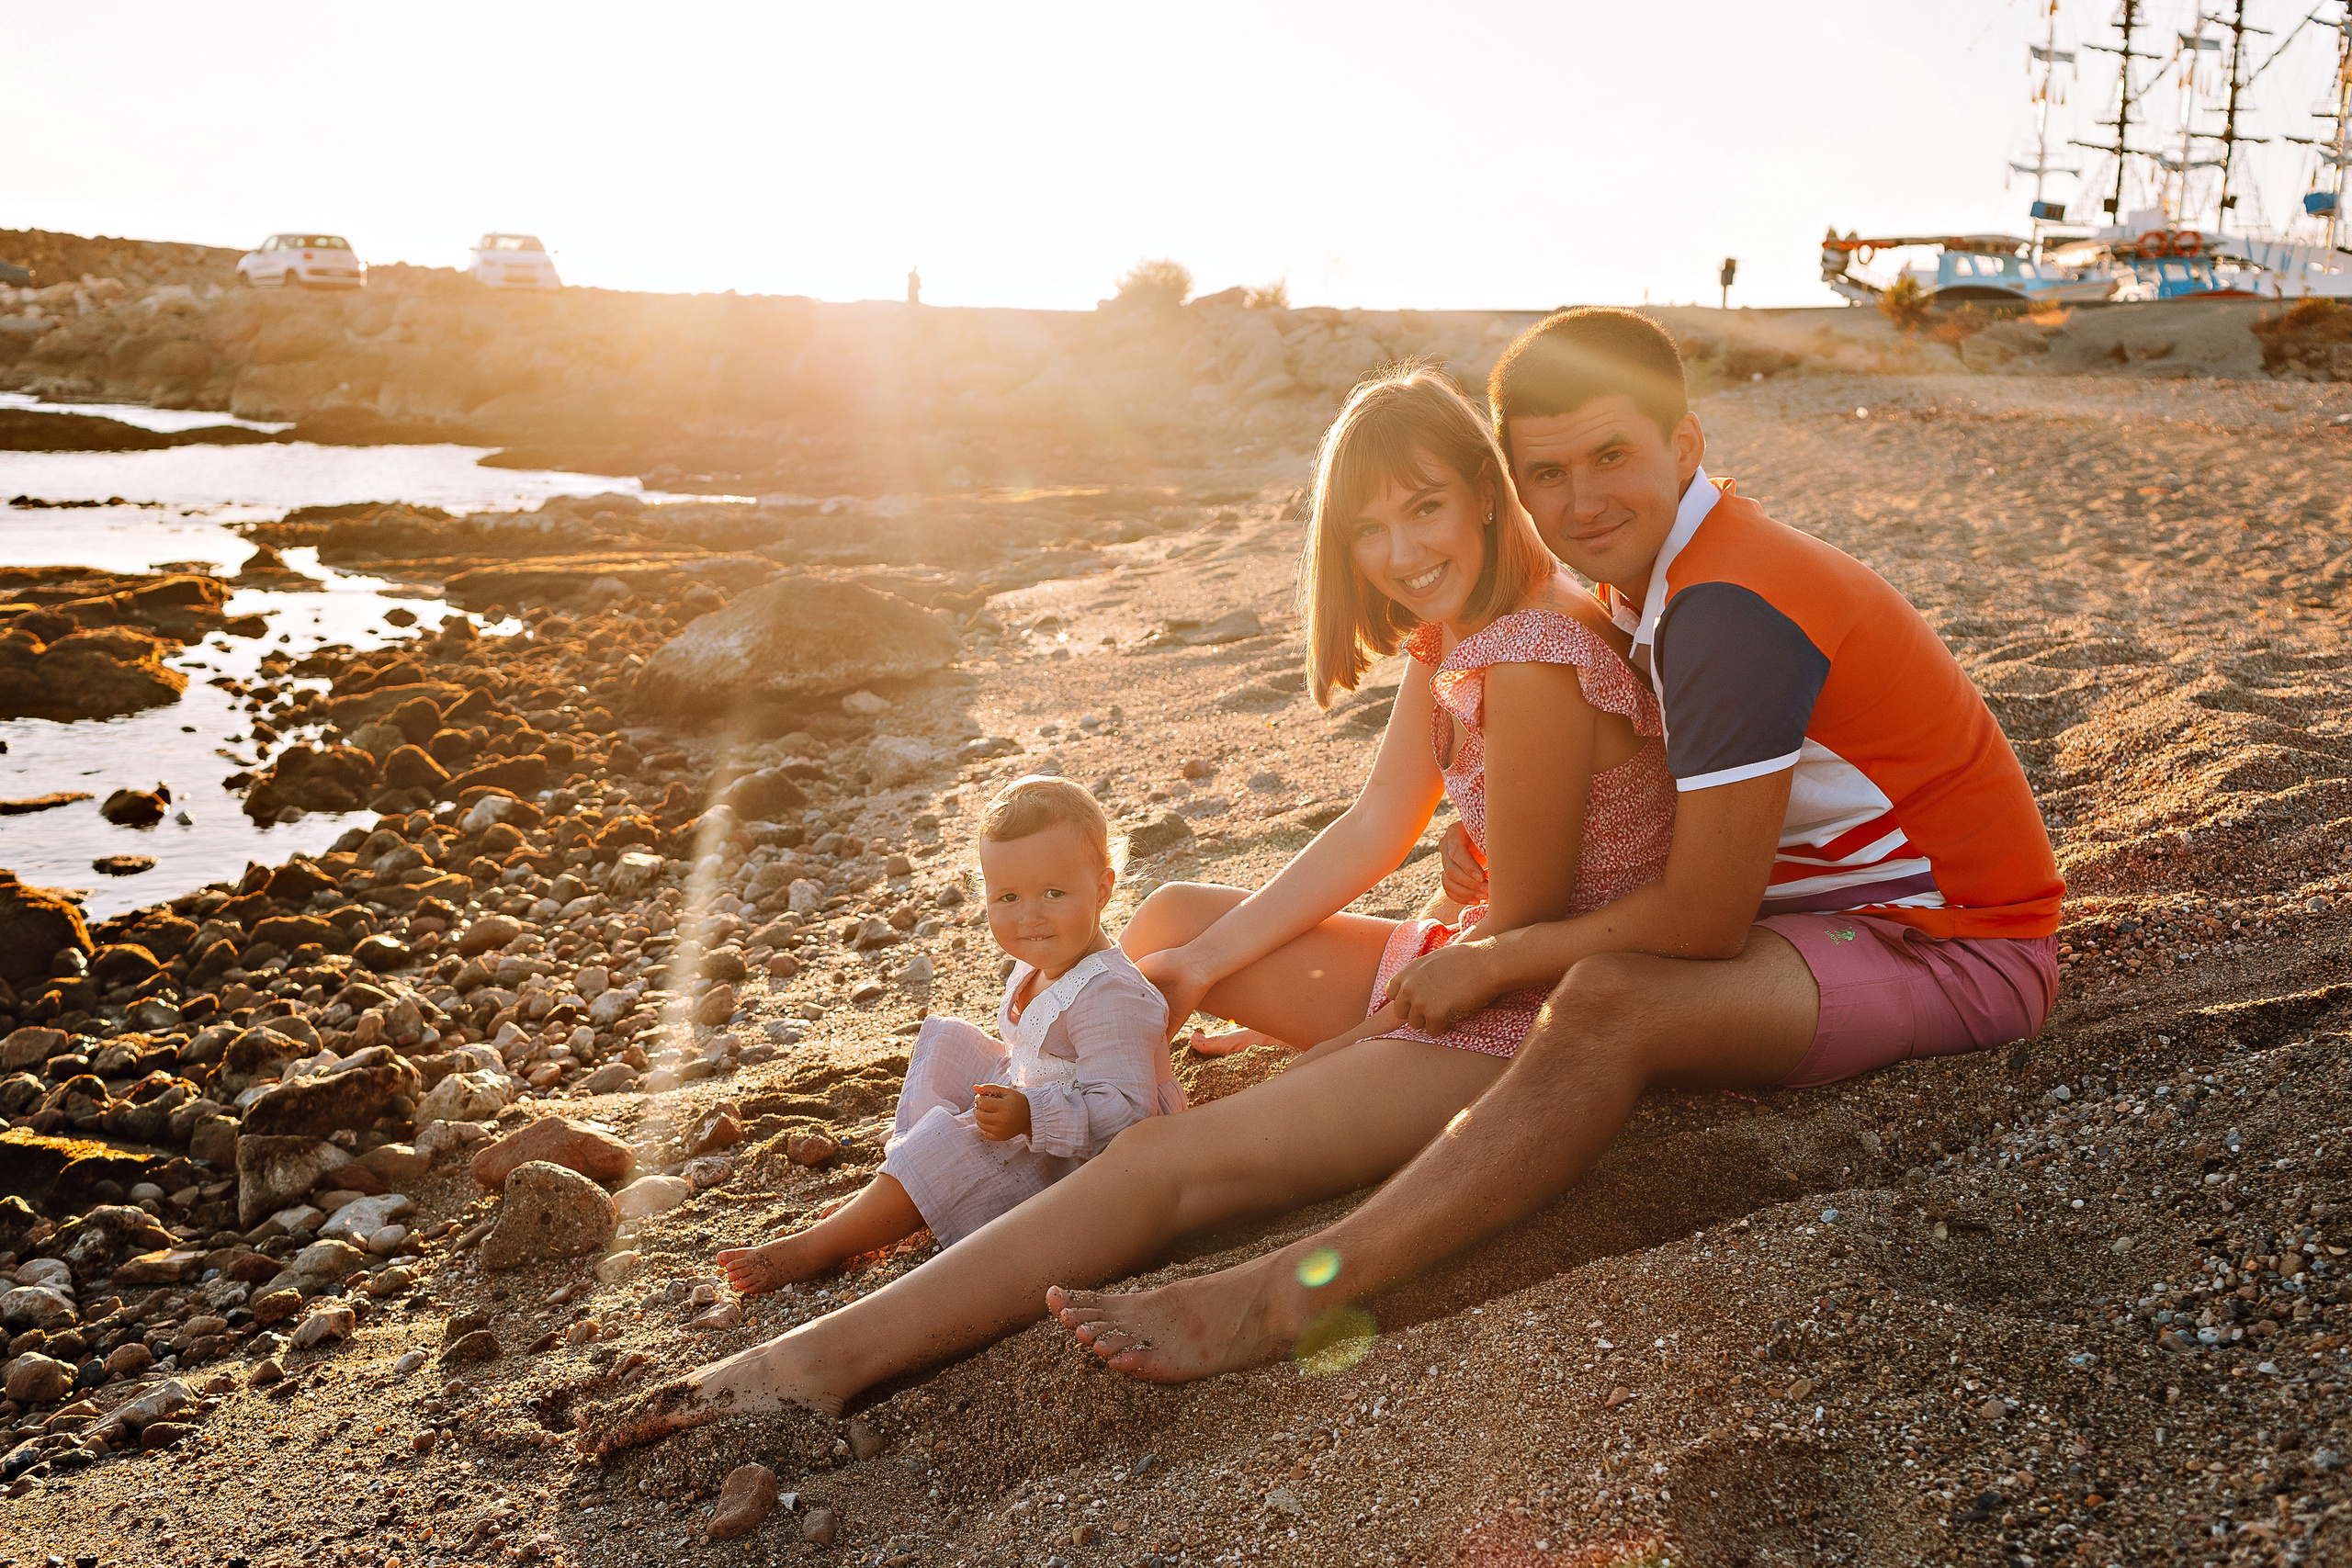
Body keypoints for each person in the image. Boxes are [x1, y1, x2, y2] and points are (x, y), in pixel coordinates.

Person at [579, 363, 1668, 1451]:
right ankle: (1064, 1135)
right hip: (1481, 958)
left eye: (1423, 507)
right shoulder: (1464, 633)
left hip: (1522, 1018)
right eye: (1369, 528)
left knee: (1152, 1163)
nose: (1401, 552)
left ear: (1484, 490)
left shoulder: (1529, 656)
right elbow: (1373, 828)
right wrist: (1202, 967)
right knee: (1170, 923)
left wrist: (1368, 1031)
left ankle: (823, 1360)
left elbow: (1517, 930)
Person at [1047, 306, 2062, 1380]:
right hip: (1814, 919)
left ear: (1684, 445)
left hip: (1950, 947)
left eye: (1611, 456)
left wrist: (1495, 953)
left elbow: (1703, 919)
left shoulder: (1726, 604)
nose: (1580, 501)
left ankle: (1284, 1297)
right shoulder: (1647, 577)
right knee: (1520, 976)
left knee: (1603, 1003)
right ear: (1514, 487)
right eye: (1548, 472)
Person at [716, 775, 1181, 1293]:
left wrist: (1030, 1115)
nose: (1030, 916)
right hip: (1045, 1101)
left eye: (1054, 892)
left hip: (1084, 1161)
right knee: (949, 1046)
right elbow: (1040, 1051)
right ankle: (894, 1198)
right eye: (1007, 896)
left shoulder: (1110, 994)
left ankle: (821, 1245)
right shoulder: (1047, 960)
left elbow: (1129, 1115)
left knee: (950, 1148)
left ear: (1103, 888)